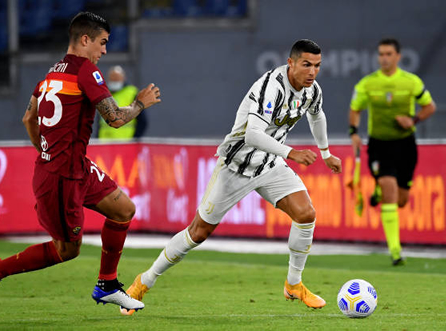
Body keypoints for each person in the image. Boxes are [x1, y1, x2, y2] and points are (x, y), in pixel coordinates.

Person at [121, 39, 342, 316]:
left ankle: (294, 284)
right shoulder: (270, 87)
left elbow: (316, 115)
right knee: (198, 233)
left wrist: (325, 153)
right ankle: (145, 280)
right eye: (307, 64)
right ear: (291, 63)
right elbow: (252, 135)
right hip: (236, 165)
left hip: (269, 165)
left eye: (317, 66)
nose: (312, 72)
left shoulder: (312, 90)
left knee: (306, 214)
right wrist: (291, 153)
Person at [0, 12, 161, 317]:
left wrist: (46, 150)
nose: (105, 51)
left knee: (123, 210)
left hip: (75, 167)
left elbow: (28, 118)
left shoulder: (50, 75)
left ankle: (107, 284)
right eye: (102, 42)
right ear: (85, 40)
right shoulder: (86, 71)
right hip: (61, 176)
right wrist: (140, 103)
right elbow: (114, 117)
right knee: (67, 249)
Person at [349, 38, 436, 266]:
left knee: (401, 200)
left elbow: (430, 106)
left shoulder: (411, 82)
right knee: (389, 190)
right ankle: (396, 252)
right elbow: (355, 109)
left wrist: (413, 119)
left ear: (398, 56)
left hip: (406, 145)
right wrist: (354, 132)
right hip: (380, 145)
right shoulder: (368, 84)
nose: (384, 58)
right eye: (381, 54)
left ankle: (378, 193)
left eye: (388, 54)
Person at [98, 65, 148, 139]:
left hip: (124, 143)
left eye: (117, 79)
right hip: (105, 142)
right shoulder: (104, 94)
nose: (114, 81)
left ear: (123, 78)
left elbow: (142, 121)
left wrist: (135, 140)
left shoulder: (132, 93)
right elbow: (100, 121)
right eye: (112, 79)